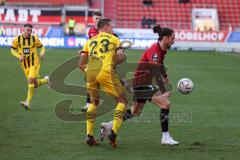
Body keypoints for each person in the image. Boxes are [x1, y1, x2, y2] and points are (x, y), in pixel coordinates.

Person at [100, 24, 179, 145]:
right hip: (142, 84)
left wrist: (165, 76)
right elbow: (155, 70)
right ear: (166, 38)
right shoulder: (155, 50)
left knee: (135, 111)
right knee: (166, 104)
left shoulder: (162, 50)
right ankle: (166, 137)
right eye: (172, 38)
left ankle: (109, 125)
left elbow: (160, 65)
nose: (173, 41)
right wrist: (163, 90)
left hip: (141, 83)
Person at [79, 18, 127, 148]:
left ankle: (89, 135)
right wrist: (117, 59)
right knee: (122, 101)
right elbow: (121, 57)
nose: (112, 30)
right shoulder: (114, 39)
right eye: (111, 27)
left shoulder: (89, 41)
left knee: (93, 102)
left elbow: (81, 64)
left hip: (90, 72)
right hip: (105, 71)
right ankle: (113, 132)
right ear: (106, 27)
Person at [11, 23, 49, 110]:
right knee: (34, 84)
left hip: (34, 63)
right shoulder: (17, 39)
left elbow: (42, 47)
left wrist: (42, 53)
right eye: (27, 30)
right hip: (24, 65)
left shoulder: (34, 38)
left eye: (30, 31)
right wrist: (19, 56)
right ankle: (46, 80)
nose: (29, 32)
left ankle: (27, 102)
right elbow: (12, 50)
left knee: (30, 79)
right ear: (23, 30)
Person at [81, 11, 103, 112]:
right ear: (93, 19)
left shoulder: (104, 31)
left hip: (103, 60)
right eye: (96, 18)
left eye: (99, 18)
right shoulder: (90, 31)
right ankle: (88, 103)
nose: (97, 20)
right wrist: (83, 51)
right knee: (90, 82)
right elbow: (89, 43)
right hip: (93, 60)